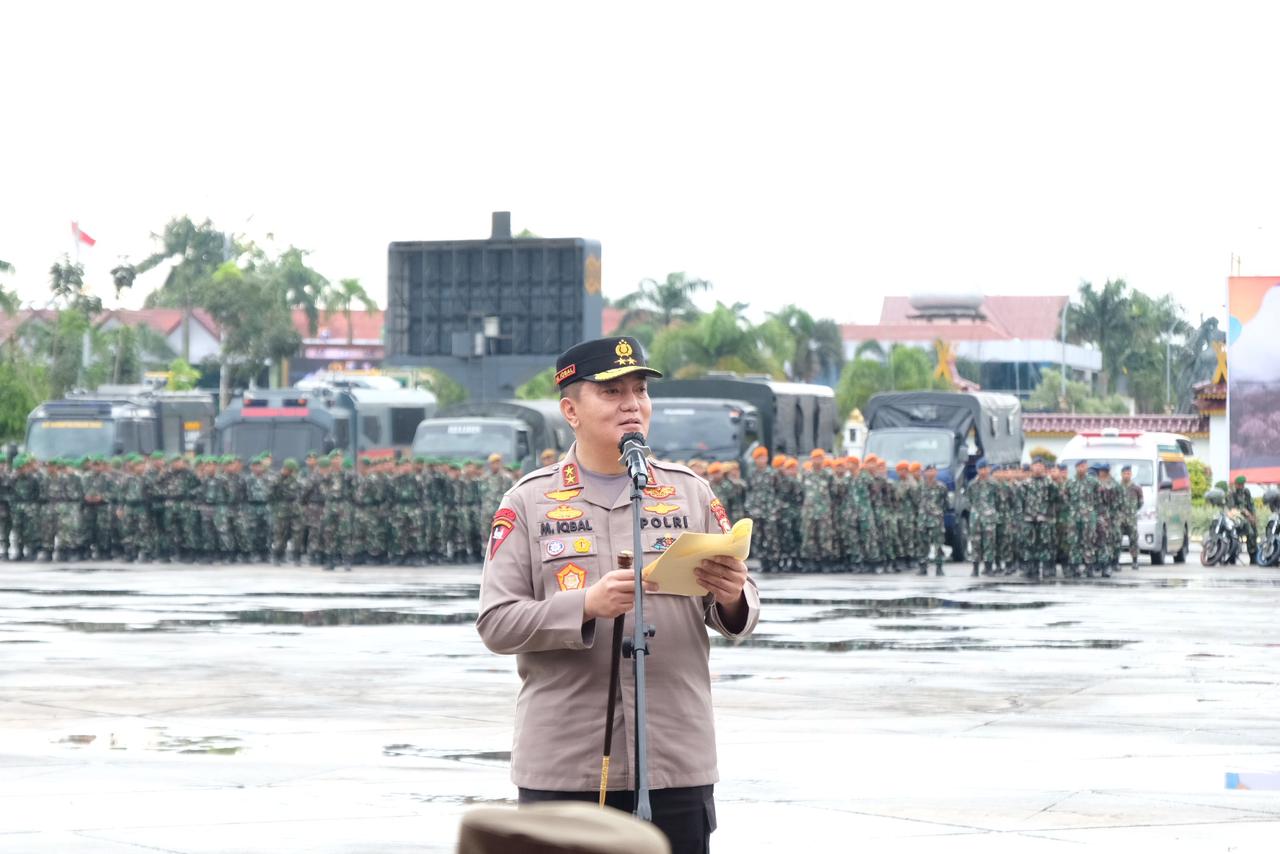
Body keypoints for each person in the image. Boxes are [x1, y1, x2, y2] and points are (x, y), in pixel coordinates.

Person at [477, 336, 760, 854]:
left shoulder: (688, 492)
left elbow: (742, 606)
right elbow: (496, 621)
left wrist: (732, 595)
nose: (632, 404)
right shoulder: (530, 502)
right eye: (611, 392)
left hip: (674, 760)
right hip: (567, 765)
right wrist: (585, 605)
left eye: (639, 391)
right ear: (570, 410)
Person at [1227, 475, 1257, 563]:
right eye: (1239, 484)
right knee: (1248, 530)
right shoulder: (1232, 493)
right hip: (1236, 517)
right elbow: (1231, 507)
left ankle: (1253, 556)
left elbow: (1251, 505)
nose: (1241, 486)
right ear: (1236, 484)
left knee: (1253, 532)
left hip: (1246, 518)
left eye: (1242, 484)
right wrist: (1244, 511)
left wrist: (1253, 516)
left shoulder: (1246, 492)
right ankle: (1232, 556)